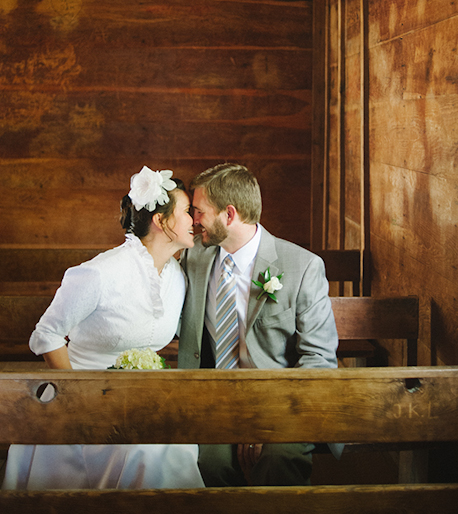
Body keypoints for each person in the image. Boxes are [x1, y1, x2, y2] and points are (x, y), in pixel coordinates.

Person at [2, 166, 204, 490]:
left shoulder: (177, 276)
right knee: (149, 451)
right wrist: (77, 398)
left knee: (177, 440)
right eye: (186, 212)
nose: (195, 220)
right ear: (161, 221)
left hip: (139, 402)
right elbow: (46, 334)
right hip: (82, 401)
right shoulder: (101, 273)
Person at [177, 162, 342, 487]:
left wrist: (270, 420)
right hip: (216, 399)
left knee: (278, 464)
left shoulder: (302, 266)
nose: (193, 221)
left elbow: (319, 359)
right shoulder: (194, 257)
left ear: (229, 214)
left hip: (282, 400)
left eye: (199, 211)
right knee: (208, 465)